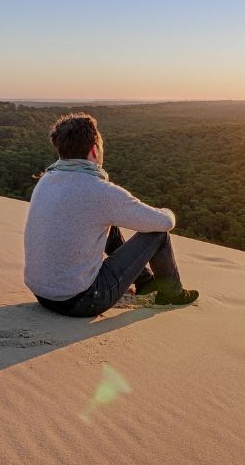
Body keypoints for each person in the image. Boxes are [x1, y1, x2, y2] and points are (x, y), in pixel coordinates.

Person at [23, 113, 198, 317]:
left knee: (108, 227)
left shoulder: (46, 180)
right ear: (94, 150)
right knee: (158, 234)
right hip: (81, 301)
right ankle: (172, 294)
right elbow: (164, 222)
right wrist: (168, 211)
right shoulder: (100, 190)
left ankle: (145, 283)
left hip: (42, 294)